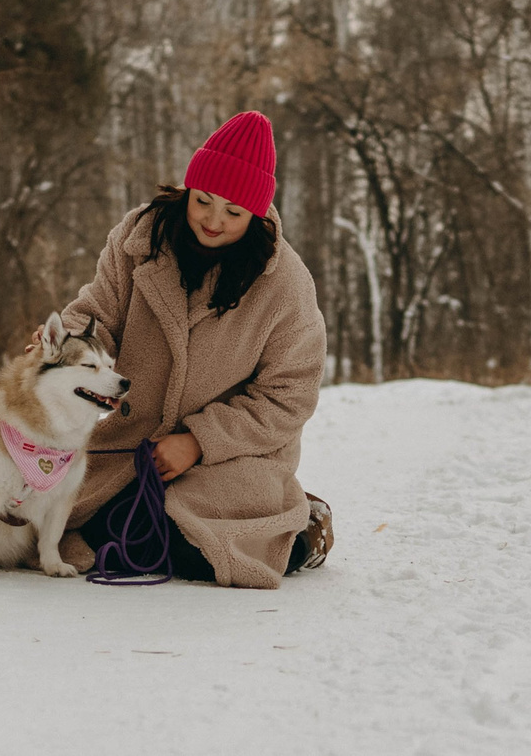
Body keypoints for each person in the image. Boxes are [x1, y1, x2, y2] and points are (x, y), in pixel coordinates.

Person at [58, 111, 334, 588]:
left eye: (234, 212)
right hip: (133, 446)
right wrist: (60, 350)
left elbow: (289, 396)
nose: (213, 220)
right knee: (83, 530)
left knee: (206, 551)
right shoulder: (138, 239)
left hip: (232, 458)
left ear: (256, 213)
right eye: (203, 201)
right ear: (188, 190)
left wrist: (200, 442)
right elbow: (97, 317)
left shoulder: (285, 284)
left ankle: (307, 529)